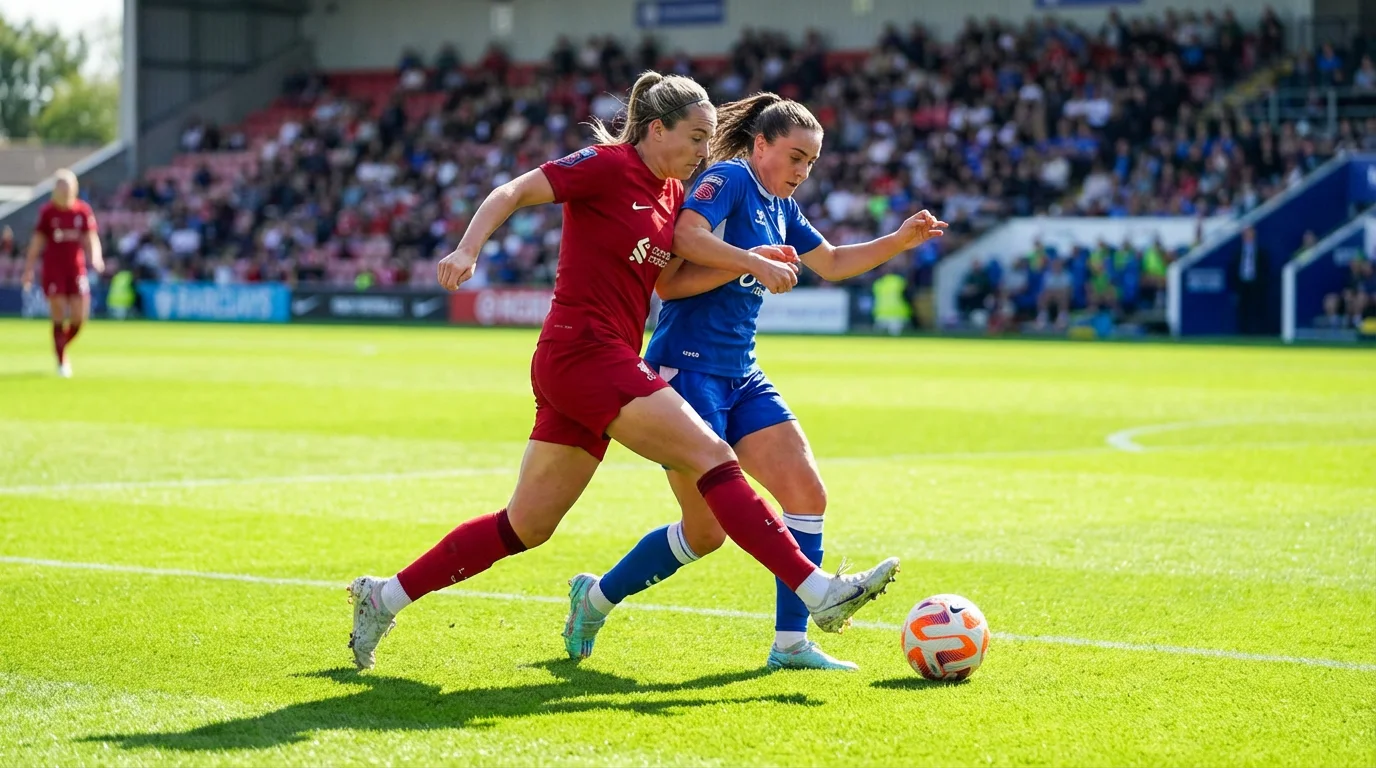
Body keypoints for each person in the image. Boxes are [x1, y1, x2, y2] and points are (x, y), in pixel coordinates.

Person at [346, 72, 901, 671]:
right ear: (656, 129)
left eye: (709, 140)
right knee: (715, 458)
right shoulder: (608, 166)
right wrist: (467, 247)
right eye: (695, 138)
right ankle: (817, 592)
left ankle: (383, 596)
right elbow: (511, 191)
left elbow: (670, 281)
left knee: (525, 526)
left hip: (599, 361)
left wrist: (750, 260)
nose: (702, 153)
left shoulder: (670, 194)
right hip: (583, 351)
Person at [561, 93, 944, 672]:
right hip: (686, 371)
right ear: (760, 144)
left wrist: (898, 241)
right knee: (705, 532)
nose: (801, 172)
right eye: (794, 157)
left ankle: (790, 644)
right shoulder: (727, 180)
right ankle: (594, 597)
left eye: (810, 163)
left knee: (806, 493)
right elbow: (678, 260)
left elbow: (833, 262)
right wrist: (752, 260)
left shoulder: (782, 206)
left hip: (741, 372)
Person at [21, 169, 103, 378]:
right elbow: (37, 243)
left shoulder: (82, 211)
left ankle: (60, 345)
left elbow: (91, 238)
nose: (65, 191)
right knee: (58, 311)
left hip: (76, 269)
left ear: (74, 188)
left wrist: (96, 257)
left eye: (68, 187)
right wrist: (28, 269)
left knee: (79, 317)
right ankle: (61, 360)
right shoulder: (48, 213)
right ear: (55, 189)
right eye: (61, 186)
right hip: (53, 269)